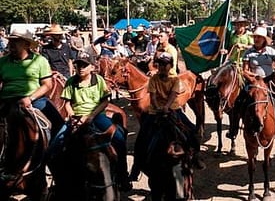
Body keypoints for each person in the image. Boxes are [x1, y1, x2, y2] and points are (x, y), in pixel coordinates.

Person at [129, 52, 205, 182]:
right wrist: (158, 107)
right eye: (161, 64)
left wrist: (166, 107)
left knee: (192, 131)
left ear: (170, 66)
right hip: (154, 112)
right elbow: (152, 97)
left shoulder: (175, 80)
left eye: (166, 64)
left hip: (173, 110)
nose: (163, 67)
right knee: (141, 138)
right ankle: (136, 169)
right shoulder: (153, 80)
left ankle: (196, 157)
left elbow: (173, 95)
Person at [60, 51, 131, 191]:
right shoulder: (70, 81)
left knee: (119, 138)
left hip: (97, 116)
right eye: (78, 64)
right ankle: (61, 182)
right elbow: (67, 103)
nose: (80, 68)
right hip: (77, 117)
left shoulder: (98, 80)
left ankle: (123, 175)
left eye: (84, 65)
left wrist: (91, 116)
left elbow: (104, 101)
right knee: (56, 144)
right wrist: (73, 116)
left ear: (92, 67)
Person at [233, 26, 275, 143]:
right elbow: (244, 70)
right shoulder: (248, 52)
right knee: (237, 103)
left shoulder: (271, 51)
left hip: (269, 83)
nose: (256, 39)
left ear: (264, 39)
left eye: (259, 37)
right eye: (255, 37)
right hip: (253, 83)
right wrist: (253, 77)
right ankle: (233, 130)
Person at [0, 29, 64, 138]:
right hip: (7, 99)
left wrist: (30, 98)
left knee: (61, 126)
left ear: (26, 44)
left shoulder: (40, 60)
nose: (11, 45)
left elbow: (47, 85)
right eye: (10, 41)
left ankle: (53, 153)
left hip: (34, 100)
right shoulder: (2, 61)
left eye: (16, 41)